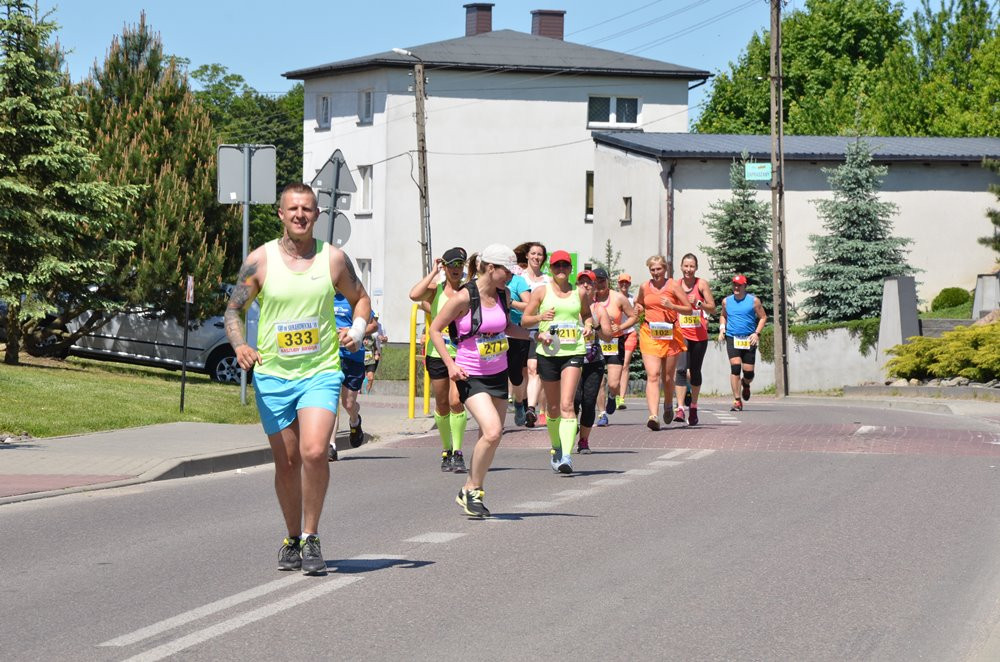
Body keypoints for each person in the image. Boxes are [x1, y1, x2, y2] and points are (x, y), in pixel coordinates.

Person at [224, 182, 370, 575]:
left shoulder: (333, 259)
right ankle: (291, 537)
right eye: (293, 209)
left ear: (317, 215)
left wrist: (357, 331)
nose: (300, 215)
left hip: (320, 371)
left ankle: (311, 536)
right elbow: (233, 310)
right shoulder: (260, 260)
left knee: (314, 451)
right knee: (287, 462)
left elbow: (361, 298)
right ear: (281, 214)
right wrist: (240, 345)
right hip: (273, 375)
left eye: (307, 209)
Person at [428, 244, 529, 518]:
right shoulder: (463, 297)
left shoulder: (503, 295)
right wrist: (450, 365)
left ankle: (472, 489)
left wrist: (534, 336)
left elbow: (507, 327)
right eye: (507, 271)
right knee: (493, 431)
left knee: (491, 437)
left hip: (498, 372)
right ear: (491, 268)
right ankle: (472, 489)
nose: (511, 276)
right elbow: (435, 330)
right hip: (470, 374)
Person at [522, 250, 598, 474]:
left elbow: (587, 315)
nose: (561, 269)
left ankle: (566, 455)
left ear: (570, 269)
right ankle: (556, 446)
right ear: (551, 268)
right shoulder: (541, 291)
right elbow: (525, 320)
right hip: (548, 353)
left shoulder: (579, 292)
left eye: (565, 265)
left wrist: (588, 325)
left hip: (573, 351)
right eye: (557, 266)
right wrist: (540, 319)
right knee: (553, 407)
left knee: (567, 405)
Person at [409, 247, 470, 473]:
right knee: (442, 403)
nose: (456, 269)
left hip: (460, 353)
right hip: (436, 353)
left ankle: (458, 451)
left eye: (460, 264)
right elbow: (414, 295)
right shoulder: (436, 290)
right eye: (451, 264)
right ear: (445, 267)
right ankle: (447, 449)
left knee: (456, 401)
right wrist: (433, 272)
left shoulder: (467, 291)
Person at [634, 255, 692, 431]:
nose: (655, 272)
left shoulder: (673, 286)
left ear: (665, 269)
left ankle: (668, 403)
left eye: (658, 269)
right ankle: (653, 415)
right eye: (652, 269)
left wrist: (672, 306)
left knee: (667, 377)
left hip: (670, 334)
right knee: (653, 375)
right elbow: (639, 303)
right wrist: (639, 308)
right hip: (649, 333)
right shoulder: (645, 286)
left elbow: (688, 309)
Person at [327, 292, 378, 462]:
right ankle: (331, 446)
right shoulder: (324, 295)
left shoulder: (354, 299)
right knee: (331, 401)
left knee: (348, 404)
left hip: (353, 357)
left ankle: (355, 421)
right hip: (330, 357)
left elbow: (373, 325)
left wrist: (352, 331)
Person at [590, 267, 638, 428]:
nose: (599, 284)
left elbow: (633, 317)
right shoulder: (589, 299)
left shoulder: (618, 298)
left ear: (608, 281)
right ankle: (602, 414)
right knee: (598, 381)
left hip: (615, 342)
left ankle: (612, 395)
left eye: (602, 281)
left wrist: (621, 327)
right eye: (596, 281)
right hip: (595, 343)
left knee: (613, 383)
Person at [571, 270, 613, 454]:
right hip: (571, 359)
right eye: (582, 282)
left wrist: (595, 325)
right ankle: (569, 430)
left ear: (595, 287)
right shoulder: (570, 306)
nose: (586, 286)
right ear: (577, 286)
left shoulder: (599, 309)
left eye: (590, 283)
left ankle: (584, 441)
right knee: (573, 401)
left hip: (593, 361)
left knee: (588, 402)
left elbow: (608, 336)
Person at [672, 254, 717, 426]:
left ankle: (694, 406)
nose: (688, 270)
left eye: (692, 266)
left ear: (696, 268)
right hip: (681, 333)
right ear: (681, 267)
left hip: (699, 336)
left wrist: (699, 303)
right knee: (681, 370)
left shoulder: (701, 284)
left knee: (695, 372)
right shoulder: (676, 285)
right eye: (686, 266)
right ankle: (680, 408)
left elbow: (712, 308)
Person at [513, 241, 550, 428]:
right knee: (518, 375)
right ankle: (519, 402)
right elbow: (510, 300)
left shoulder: (548, 280)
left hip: (539, 330)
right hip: (517, 329)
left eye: (540, 254)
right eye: (533, 253)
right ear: (527, 255)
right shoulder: (518, 277)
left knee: (533, 369)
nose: (536, 257)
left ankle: (531, 409)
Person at [718, 274, 767, 412]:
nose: (736, 287)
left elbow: (763, 317)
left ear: (745, 286)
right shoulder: (726, 301)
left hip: (748, 339)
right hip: (732, 337)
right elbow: (723, 316)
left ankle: (746, 384)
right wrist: (722, 329)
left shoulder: (754, 301)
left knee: (749, 373)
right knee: (735, 367)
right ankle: (737, 400)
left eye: (739, 285)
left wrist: (756, 333)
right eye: (734, 284)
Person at [506, 250, 532, 426]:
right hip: (495, 335)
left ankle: (519, 402)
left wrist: (511, 303)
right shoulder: (492, 283)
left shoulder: (518, 281)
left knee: (516, 375)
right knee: (497, 376)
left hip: (516, 332)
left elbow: (530, 306)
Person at [615, 273, 636, 410]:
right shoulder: (613, 298)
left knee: (625, 364)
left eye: (626, 282)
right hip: (615, 335)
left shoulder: (633, 299)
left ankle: (621, 398)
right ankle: (614, 393)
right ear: (618, 283)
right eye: (621, 282)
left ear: (629, 284)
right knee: (615, 365)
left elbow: (636, 315)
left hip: (629, 333)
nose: (624, 284)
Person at [362, 325, 381, 394]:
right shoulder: (360, 337)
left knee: (371, 378)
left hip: (370, 359)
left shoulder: (372, 338)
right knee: (360, 377)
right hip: (361, 359)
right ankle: (358, 391)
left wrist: (376, 354)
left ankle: (367, 392)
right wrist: (362, 344)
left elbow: (375, 347)